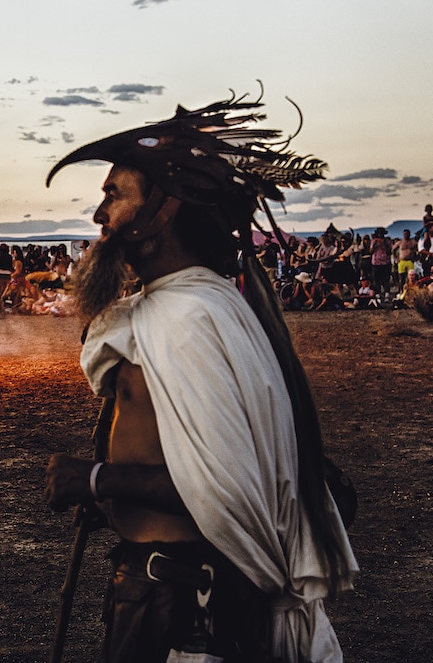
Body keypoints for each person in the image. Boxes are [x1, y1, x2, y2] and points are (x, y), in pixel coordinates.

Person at [44, 93, 356, 663]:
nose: (99, 216)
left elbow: (227, 490)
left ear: (163, 210)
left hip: (184, 604)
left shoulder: (190, 319)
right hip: (158, 590)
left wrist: (93, 481)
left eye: (113, 195)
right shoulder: (183, 308)